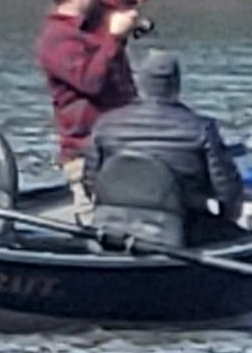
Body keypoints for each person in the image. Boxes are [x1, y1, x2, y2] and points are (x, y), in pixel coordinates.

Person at [83, 46, 243, 243]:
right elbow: (226, 188)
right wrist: (225, 217)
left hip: (112, 227)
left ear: (140, 84)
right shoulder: (201, 128)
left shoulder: (105, 124)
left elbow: (90, 181)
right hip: (184, 227)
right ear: (176, 85)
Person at [34, 0, 155, 183]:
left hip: (123, 142)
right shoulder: (56, 38)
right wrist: (114, 37)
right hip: (85, 151)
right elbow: (91, 81)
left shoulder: (95, 15)